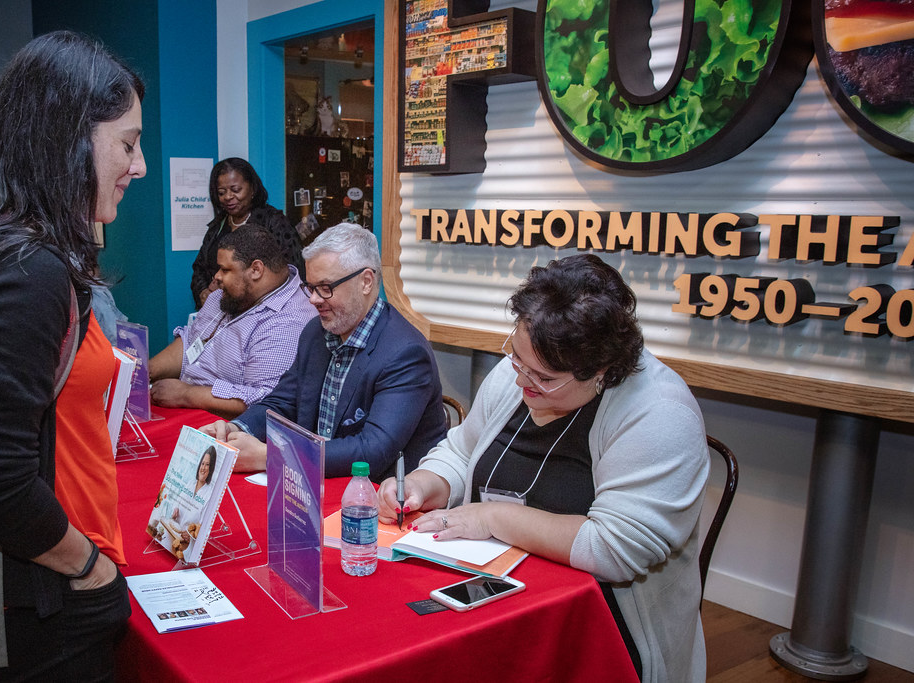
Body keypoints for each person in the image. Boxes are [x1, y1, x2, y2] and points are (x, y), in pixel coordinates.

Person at [0, 31, 145, 680]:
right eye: (127, 142)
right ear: (69, 138)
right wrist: (88, 567)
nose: (140, 164)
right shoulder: (25, 270)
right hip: (19, 599)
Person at [377, 255, 710, 683]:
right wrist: (425, 484)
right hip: (499, 587)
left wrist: (494, 517)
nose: (521, 382)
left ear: (601, 371)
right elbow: (462, 451)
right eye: (516, 357)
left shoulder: (660, 414)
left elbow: (615, 549)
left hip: (603, 627)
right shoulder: (522, 370)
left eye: (545, 378)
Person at [202, 222, 448, 481]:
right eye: (311, 287)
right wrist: (237, 429)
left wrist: (272, 454)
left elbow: (373, 450)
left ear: (366, 282)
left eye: (325, 287)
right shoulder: (315, 333)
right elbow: (282, 403)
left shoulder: (405, 353)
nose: (313, 299)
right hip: (314, 486)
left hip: (382, 499)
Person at [149, 225, 315, 418]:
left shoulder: (289, 321)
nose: (216, 277)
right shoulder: (224, 297)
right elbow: (191, 343)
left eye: (225, 269)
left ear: (256, 270)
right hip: (182, 406)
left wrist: (186, 394)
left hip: (228, 427)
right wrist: (145, 372)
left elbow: (265, 400)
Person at [190, 157, 304, 309]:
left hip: (264, 311)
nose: (228, 197)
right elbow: (199, 268)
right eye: (222, 192)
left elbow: (291, 271)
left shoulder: (273, 221)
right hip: (220, 311)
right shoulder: (217, 226)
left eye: (236, 190)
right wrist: (203, 292)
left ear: (252, 189)